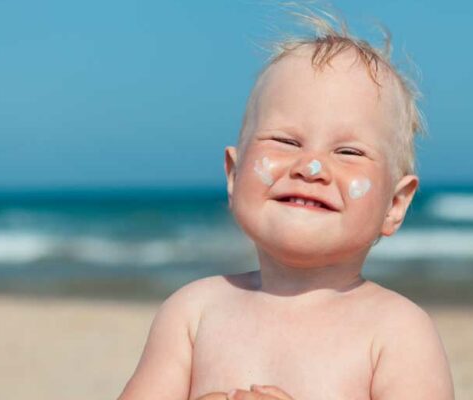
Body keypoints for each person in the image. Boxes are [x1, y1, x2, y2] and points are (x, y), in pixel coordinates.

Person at [117, 8, 454, 400]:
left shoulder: (398, 333)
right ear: (234, 173)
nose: (311, 168)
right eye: (286, 142)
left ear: (394, 204)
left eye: (347, 151)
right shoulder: (192, 313)